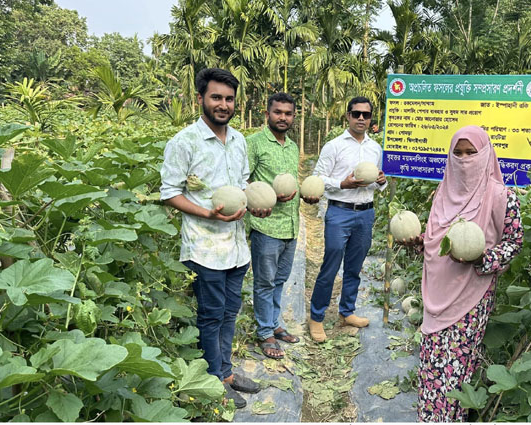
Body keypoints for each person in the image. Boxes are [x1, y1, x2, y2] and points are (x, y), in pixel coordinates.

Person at [397, 126, 523, 422]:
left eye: (472, 152)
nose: (465, 159)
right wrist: (419, 244)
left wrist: (482, 258)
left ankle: (450, 419)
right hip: (436, 295)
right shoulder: (443, 191)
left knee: (455, 367)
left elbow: (514, 242)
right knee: (431, 365)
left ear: (486, 154)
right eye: (458, 153)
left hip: (471, 294)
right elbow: (436, 245)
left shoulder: (501, 195)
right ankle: (429, 418)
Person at [160, 68, 264, 409]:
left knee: (230, 312)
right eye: (216, 97)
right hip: (204, 246)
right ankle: (214, 382)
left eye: (229, 99)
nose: (223, 104)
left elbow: (243, 186)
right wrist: (207, 213)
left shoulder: (238, 141)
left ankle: (226, 372)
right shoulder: (184, 141)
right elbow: (169, 193)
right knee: (210, 315)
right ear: (201, 99)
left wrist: (257, 203)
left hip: (236, 247)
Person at [246, 92, 319, 359]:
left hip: (291, 225)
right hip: (266, 225)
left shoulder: (290, 146)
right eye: (278, 112)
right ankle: (265, 332)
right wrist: (266, 196)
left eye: (288, 113)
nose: (283, 117)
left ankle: (274, 324)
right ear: (267, 114)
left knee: (280, 280)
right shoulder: (253, 143)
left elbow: (290, 186)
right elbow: (243, 181)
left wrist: (306, 194)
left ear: (293, 117)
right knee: (264, 281)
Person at [308, 96, 387, 342]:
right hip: (339, 211)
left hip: (366, 212)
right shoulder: (334, 146)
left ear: (371, 118)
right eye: (356, 114)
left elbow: (379, 182)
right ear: (348, 116)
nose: (361, 118)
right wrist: (343, 183)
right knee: (330, 267)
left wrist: (382, 182)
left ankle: (347, 312)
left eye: (366, 114)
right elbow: (317, 178)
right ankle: (316, 318)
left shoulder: (375, 148)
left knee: (354, 267)